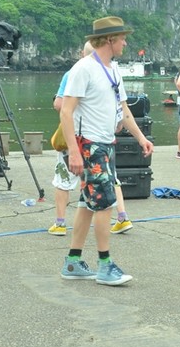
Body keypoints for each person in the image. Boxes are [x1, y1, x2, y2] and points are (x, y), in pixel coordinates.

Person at [59, 16, 153, 286]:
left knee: (88, 203)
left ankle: (73, 261)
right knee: (105, 203)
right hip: (90, 145)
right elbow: (66, 111)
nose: (125, 42)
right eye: (122, 37)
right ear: (110, 39)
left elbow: (124, 111)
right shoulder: (83, 69)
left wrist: (140, 138)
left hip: (106, 144)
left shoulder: (113, 69)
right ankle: (104, 264)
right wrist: (75, 152)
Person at [48, 43, 134, 236]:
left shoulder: (74, 72)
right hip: (104, 139)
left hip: (80, 138)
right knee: (110, 178)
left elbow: (60, 105)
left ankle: (60, 223)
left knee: (64, 178)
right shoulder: (110, 72)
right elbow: (121, 108)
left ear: (82, 54)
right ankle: (122, 216)